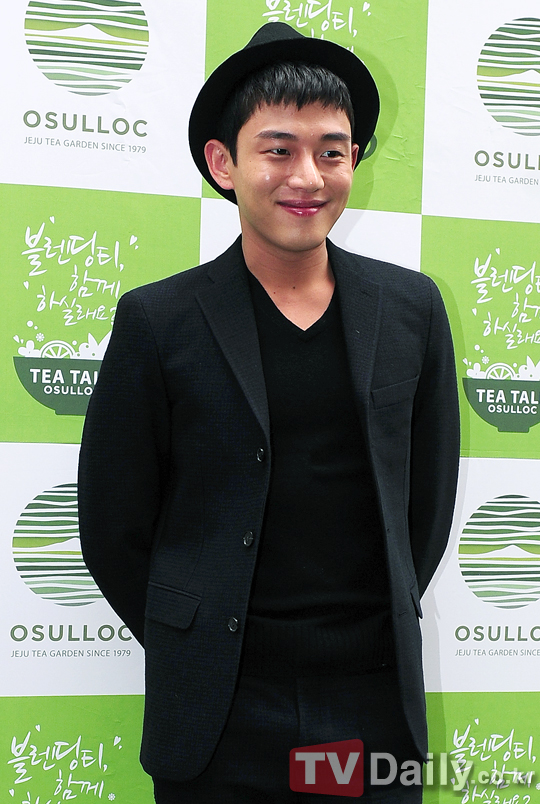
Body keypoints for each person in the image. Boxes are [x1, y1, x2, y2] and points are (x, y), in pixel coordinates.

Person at [78, 21, 459, 803]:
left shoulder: (412, 309)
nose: (308, 178)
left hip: (368, 707)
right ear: (223, 163)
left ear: (353, 160)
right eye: (278, 150)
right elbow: (114, 525)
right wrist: (195, 637)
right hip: (220, 713)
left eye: (332, 152)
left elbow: (425, 504)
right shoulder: (160, 320)